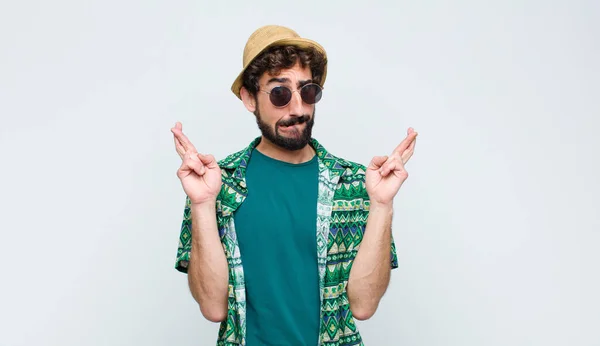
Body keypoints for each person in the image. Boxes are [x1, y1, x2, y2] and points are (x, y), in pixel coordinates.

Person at [170, 24, 418, 346]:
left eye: (308, 91)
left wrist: (382, 205)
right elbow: (214, 307)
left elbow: (364, 305)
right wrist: (203, 204)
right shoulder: (218, 185)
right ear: (248, 97)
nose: (298, 109)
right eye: (280, 93)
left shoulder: (354, 185)